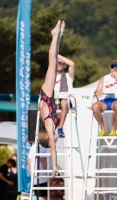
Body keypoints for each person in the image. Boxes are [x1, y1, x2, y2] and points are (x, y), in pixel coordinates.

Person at [38, 20, 65, 177]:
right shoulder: (48, 126)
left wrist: (54, 166)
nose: (55, 140)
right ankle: (58, 36)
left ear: (48, 139)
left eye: (53, 141)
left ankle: (55, 35)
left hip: (47, 95)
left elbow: (53, 148)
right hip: (47, 96)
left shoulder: (49, 128)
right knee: (53, 63)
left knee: (52, 63)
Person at [92, 60, 117, 136]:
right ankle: (103, 128)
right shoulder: (104, 78)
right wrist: (98, 92)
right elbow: (97, 90)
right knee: (95, 107)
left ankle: (113, 129)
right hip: (105, 100)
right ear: (110, 69)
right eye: (113, 67)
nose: (114, 69)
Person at [54, 54, 75, 137]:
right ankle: (45, 128)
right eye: (57, 63)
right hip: (54, 98)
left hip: (65, 99)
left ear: (64, 66)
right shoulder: (52, 75)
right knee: (42, 103)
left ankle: (60, 128)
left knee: (64, 102)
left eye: (61, 64)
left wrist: (58, 56)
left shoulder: (68, 76)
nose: (59, 65)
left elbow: (72, 64)